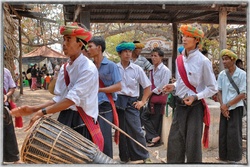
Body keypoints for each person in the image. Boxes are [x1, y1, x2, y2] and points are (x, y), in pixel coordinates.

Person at [10, 22, 104, 152]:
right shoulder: (65, 67)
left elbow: (70, 100)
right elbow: (61, 98)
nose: (64, 44)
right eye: (64, 40)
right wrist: (33, 108)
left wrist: (42, 112)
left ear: (80, 43)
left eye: (68, 39)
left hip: (82, 122)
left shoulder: (88, 69)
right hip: (65, 117)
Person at [163, 23, 218, 163]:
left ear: (196, 40)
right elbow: (182, 81)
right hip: (180, 106)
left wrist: (195, 96)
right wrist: (173, 86)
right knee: (175, 142)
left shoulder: (203, 61)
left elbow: (213, 88)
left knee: (193, 145)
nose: (184, 38)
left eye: (188, 36)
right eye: (183, 35)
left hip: (195, 108)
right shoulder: (179, 59)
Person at [115, 41, 152, 163]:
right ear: (120, 53)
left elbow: (147, 87)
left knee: (136, 129)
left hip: (132, 102)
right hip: (118, 102)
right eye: (125, 51)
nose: (128, 54)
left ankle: (142, 156)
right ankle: (125, 157)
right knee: (121, 130)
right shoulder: (114, 68)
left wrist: (142, 102)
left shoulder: (137, 69)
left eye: (129, 51)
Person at [87, 36, 122, 158]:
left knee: (105, 138)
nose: (88, 49)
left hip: (105, 106)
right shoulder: (89, 66)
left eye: (90, 46)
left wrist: (100, 90)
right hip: (91, 106)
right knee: (92, 138)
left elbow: (118, 86)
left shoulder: (111, 66)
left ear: (99, 48)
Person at [217, 49, 246, 162]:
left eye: (226, 59)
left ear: (233, 60)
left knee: (234, 133)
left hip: (236, 107)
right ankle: (223, 156)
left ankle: (234, 157)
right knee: (223, 132)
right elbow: (218, 91)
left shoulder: (242, 74)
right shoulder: (222, 74)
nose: (224, 61)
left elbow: (243, 94)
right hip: (224, 108)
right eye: (223, 59)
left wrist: (227, 105)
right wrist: (222, 106)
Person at [141, 47, 171, 147]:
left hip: (159, 97)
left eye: (156, 56)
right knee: (145, 116)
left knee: (155, 119)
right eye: (152, 56)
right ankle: (153, 136)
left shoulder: (165, 70)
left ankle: (154, 139)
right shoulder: (152, 70)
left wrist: (150, 93)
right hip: (152, 97)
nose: (153, 58)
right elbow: (149, 83)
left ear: (161, 57)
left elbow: (163, 85)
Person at [3, 67, 23, 164]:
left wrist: (6, 95)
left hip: (4, 106)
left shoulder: (5, 71)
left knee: (8, 132)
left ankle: (14, 158)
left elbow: (12, 87)